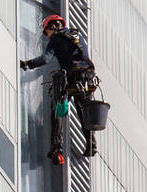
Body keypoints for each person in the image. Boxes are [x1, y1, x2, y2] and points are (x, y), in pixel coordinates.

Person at [19, 14, 98, 164]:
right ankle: (91, 144)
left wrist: (26, 64)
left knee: (57, 107)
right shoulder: (77, 36)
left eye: (46, 33)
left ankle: (57, 147)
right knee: (83, 111)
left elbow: (45, 59)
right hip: (87, 76)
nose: (47, 36)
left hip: (72, 76)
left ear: (52, 26)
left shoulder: (56, 38)